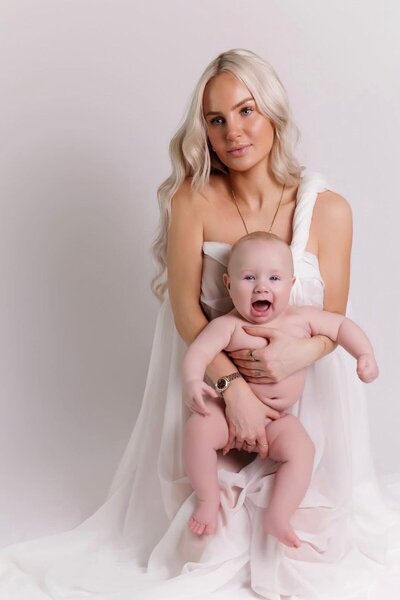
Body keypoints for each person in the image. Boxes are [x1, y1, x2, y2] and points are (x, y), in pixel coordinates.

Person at [0, 48, 398, 600]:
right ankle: (212, 500)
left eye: (246, 111)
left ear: (273, 112)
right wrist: (232, 388)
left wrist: (296, 355)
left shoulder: (329, 209)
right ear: (204, 130)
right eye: (216, 119)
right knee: (205, 543)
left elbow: (335, 318)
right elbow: (186, 311)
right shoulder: (191, 200)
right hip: (217, 390)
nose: (233, 131)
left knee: (314, 545)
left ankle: (282, 510)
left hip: (302, 404)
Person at [182, 231, 378, 546]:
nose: (262, 287)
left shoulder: (301, 320)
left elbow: (341, 326)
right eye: (249, 277)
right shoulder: (228, 325)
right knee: (198, 429)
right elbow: (200, 351)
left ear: (291, 283)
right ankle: (207, 499)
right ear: (228, 284)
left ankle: (278, 515)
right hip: (229, 414)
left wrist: (364, 354)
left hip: (277, 420)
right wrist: (193, 380)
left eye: (274, 278)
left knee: (302, 451)